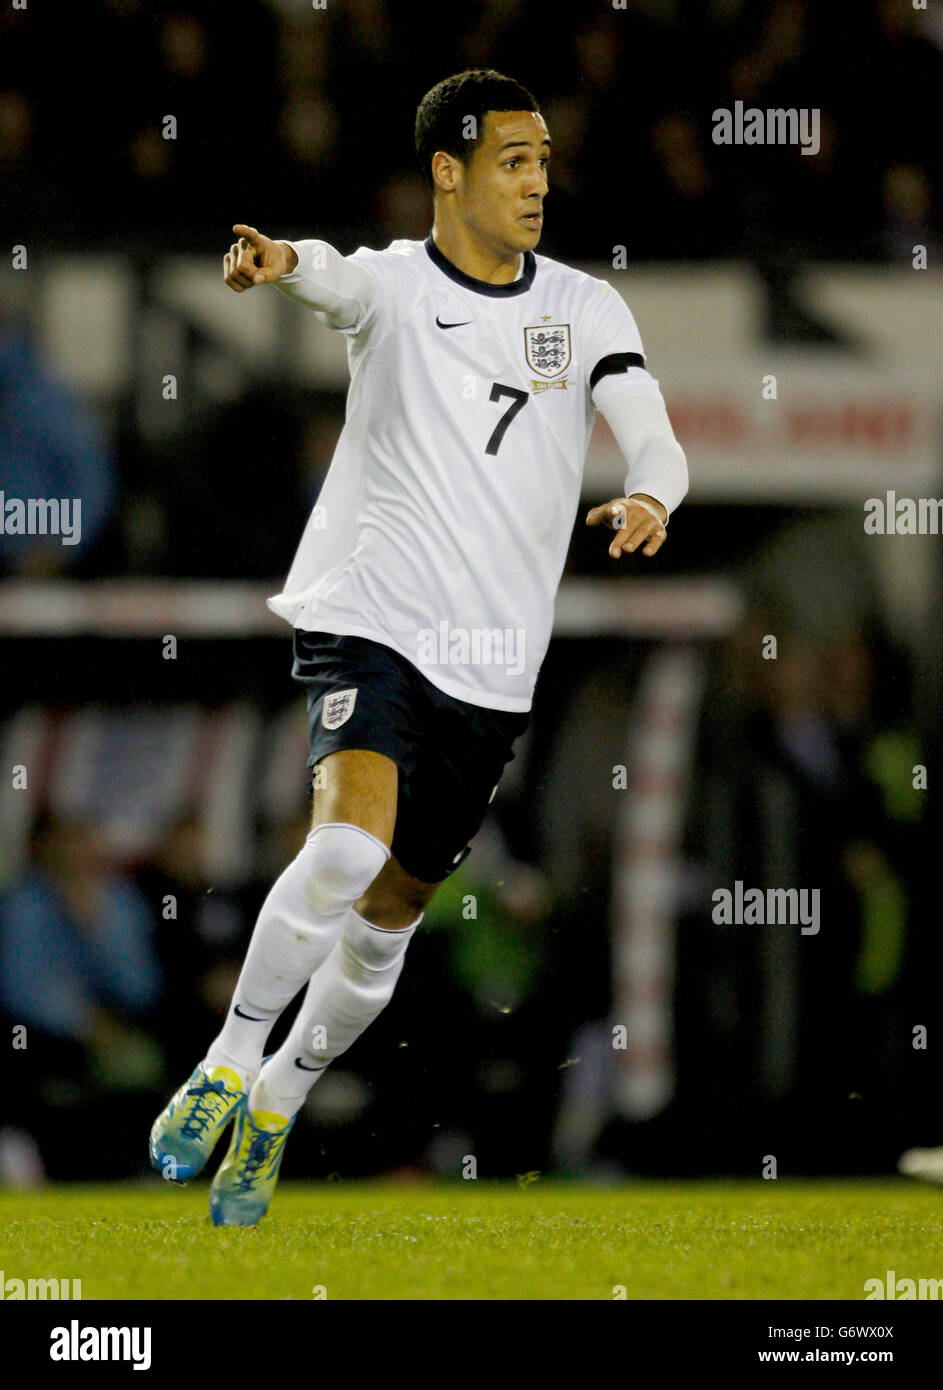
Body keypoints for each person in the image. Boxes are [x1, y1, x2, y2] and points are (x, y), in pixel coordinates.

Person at [149, 69, 688, 1226]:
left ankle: (280, 1105)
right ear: (448, 171)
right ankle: (228, 1065)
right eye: (512, 160)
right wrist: (279, 264)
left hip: (492, 665)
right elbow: (327, 274)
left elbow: (652, 430)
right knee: (343, 851)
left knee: (389, 913)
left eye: (543, 159)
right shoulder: (396, 287)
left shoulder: (585, 309)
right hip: (371, 617)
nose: (538, 181)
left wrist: (652, 493)